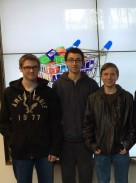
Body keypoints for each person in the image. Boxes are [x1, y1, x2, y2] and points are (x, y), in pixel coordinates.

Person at [0, 54, 63, 183]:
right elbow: (3, 122)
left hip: (45, 151)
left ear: (39, 68)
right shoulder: (9, 92)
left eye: (35, 67)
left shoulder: (48, 93)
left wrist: (55, 149)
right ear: (20, 69)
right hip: (20, 151)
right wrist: (13, 141)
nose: (31, 70)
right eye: (27, 67)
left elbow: (56, 123)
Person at [82, 62, 136, 183]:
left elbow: (132, 124)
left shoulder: (127, 97)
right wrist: (92, 145)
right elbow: (87, 125)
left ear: (117, 76)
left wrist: (127, 145)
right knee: (103, 181)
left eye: (112, 74)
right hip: (100, 150)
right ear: (101, 76)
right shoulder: (93, 98)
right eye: (106, 74)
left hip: (121, 150)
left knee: (122, 181)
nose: (109, 77)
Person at [52, 48, 99, 183]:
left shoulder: (91, 84)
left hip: (85, 142)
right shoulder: (58, 84)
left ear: (82, 62)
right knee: (67, 179)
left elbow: (96, 114)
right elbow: (54, 116)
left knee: (86, 178)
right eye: (71, 60)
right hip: (65, 142)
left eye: (78, 60)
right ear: (66, 62)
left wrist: (94, 139)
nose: (74, 63)